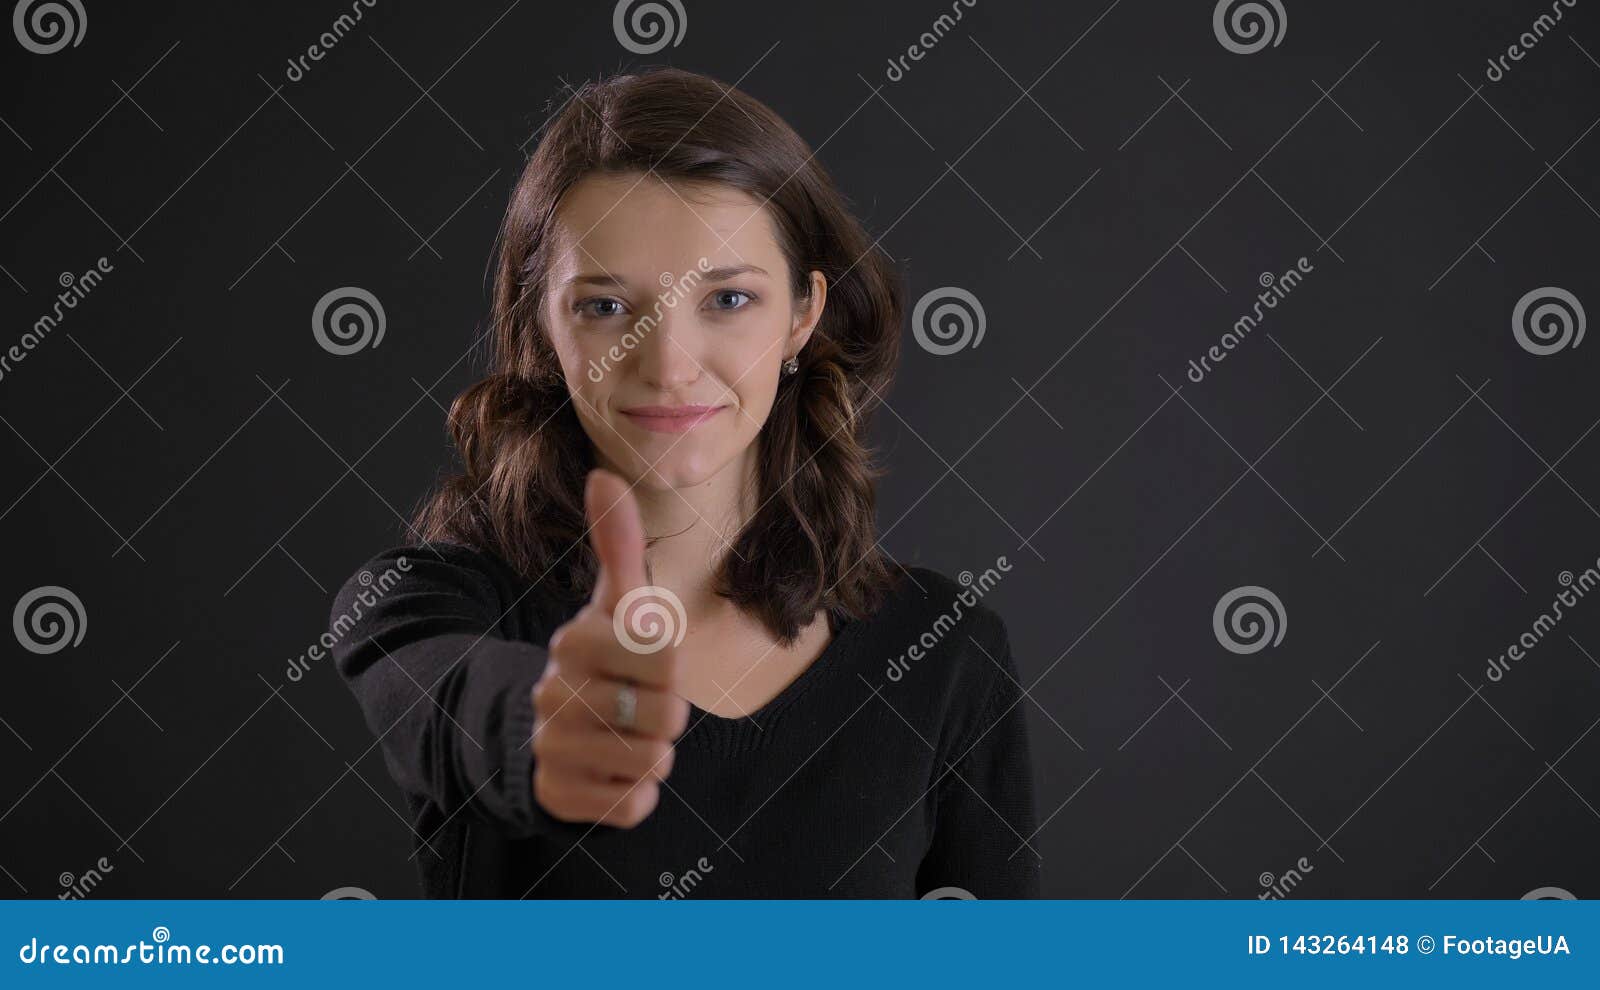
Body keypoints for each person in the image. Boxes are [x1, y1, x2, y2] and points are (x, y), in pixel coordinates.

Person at [329, 66, 1039, 898]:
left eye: (729, 298)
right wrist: (542, 725)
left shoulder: (947, 655)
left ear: (803, 315)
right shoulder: (422, 601)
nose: (667, 367)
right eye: (605, 307)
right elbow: (449, 707)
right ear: (541, 325)